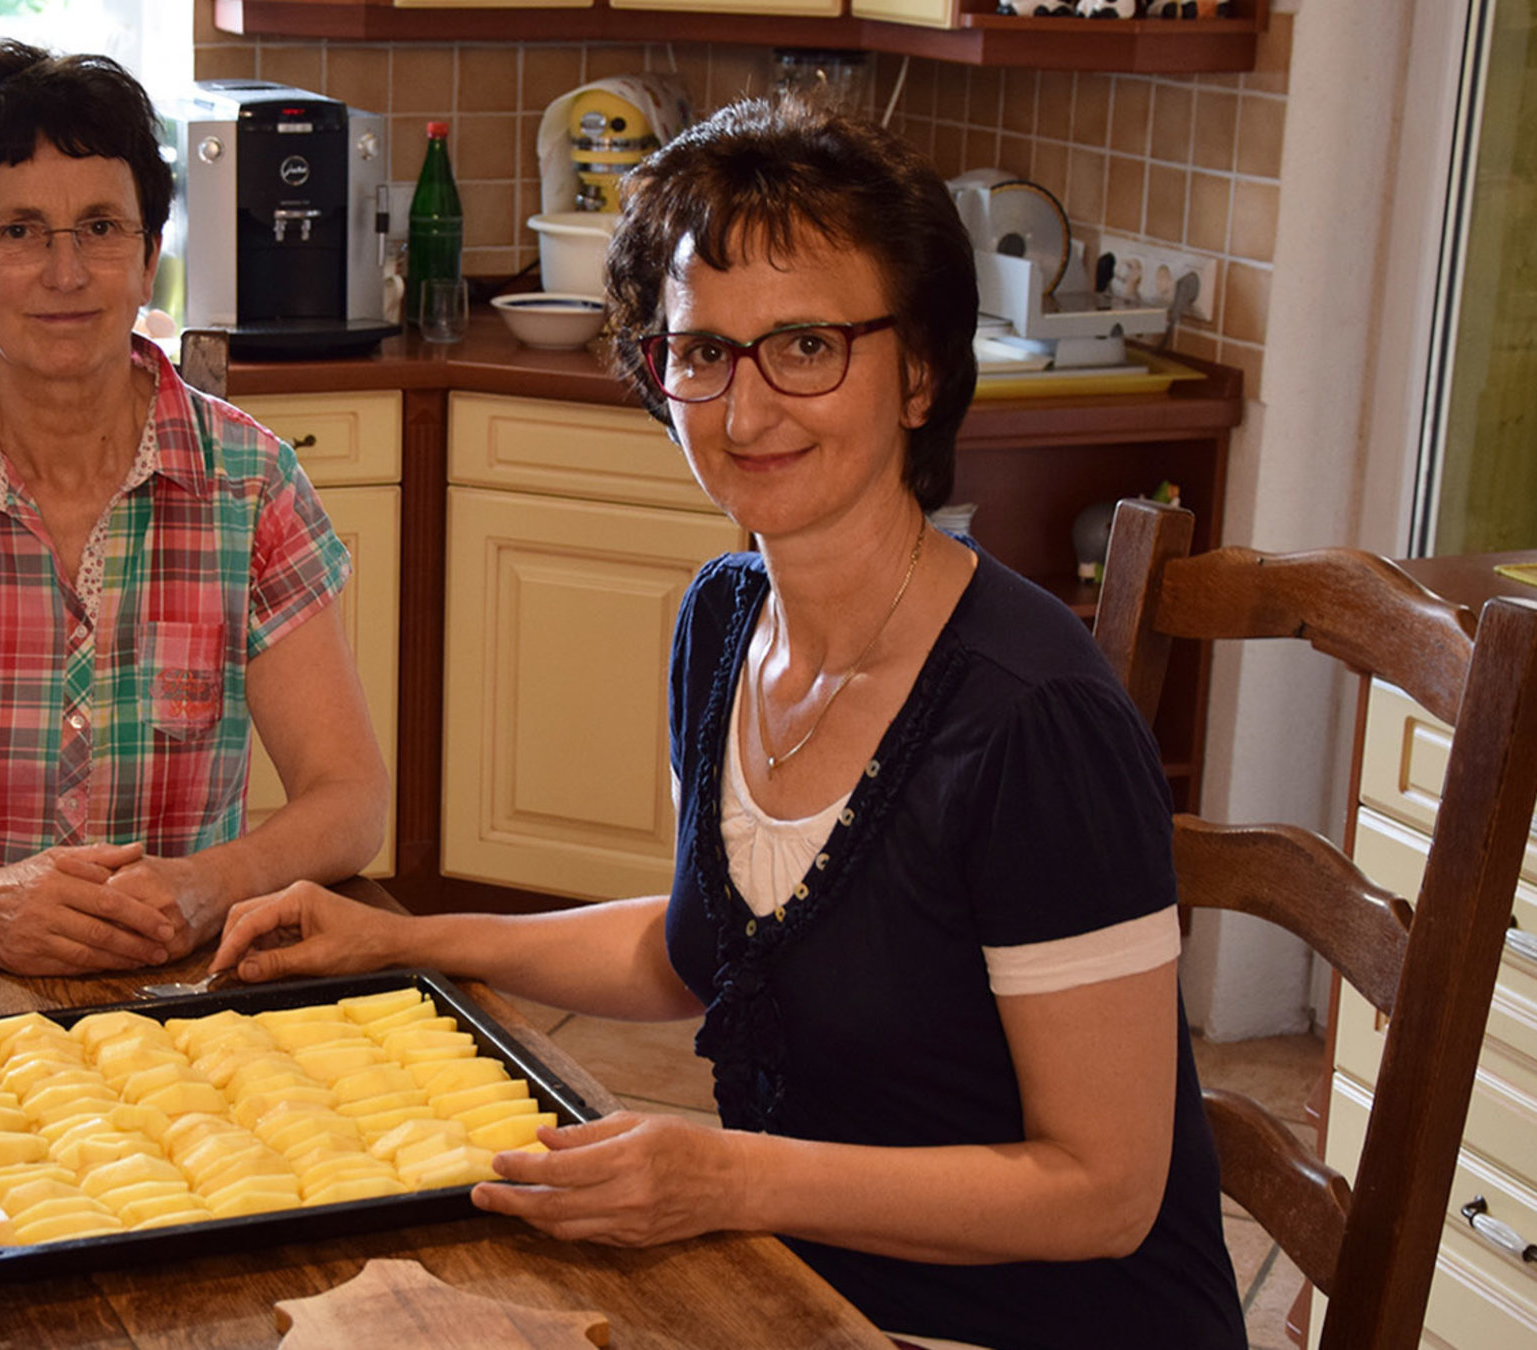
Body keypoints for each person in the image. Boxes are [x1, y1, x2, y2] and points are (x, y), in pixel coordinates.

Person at [210, 98, 1244, 1350]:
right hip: (797, 1294)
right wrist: (403, 940)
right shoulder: (724, 620)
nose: (745, 412)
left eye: (806, 346)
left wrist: (727, 1178)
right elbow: (716, 944)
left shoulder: (1031, 723)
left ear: (919, 371)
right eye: (702, 353)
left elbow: (1106, 1193)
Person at [0, 41, 387, 978]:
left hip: (171, 978)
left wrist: (206, 885)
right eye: (19, 232)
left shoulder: (252, 486)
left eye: (101, 227)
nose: (67, 272)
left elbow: (348, 799)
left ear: (149, 259)